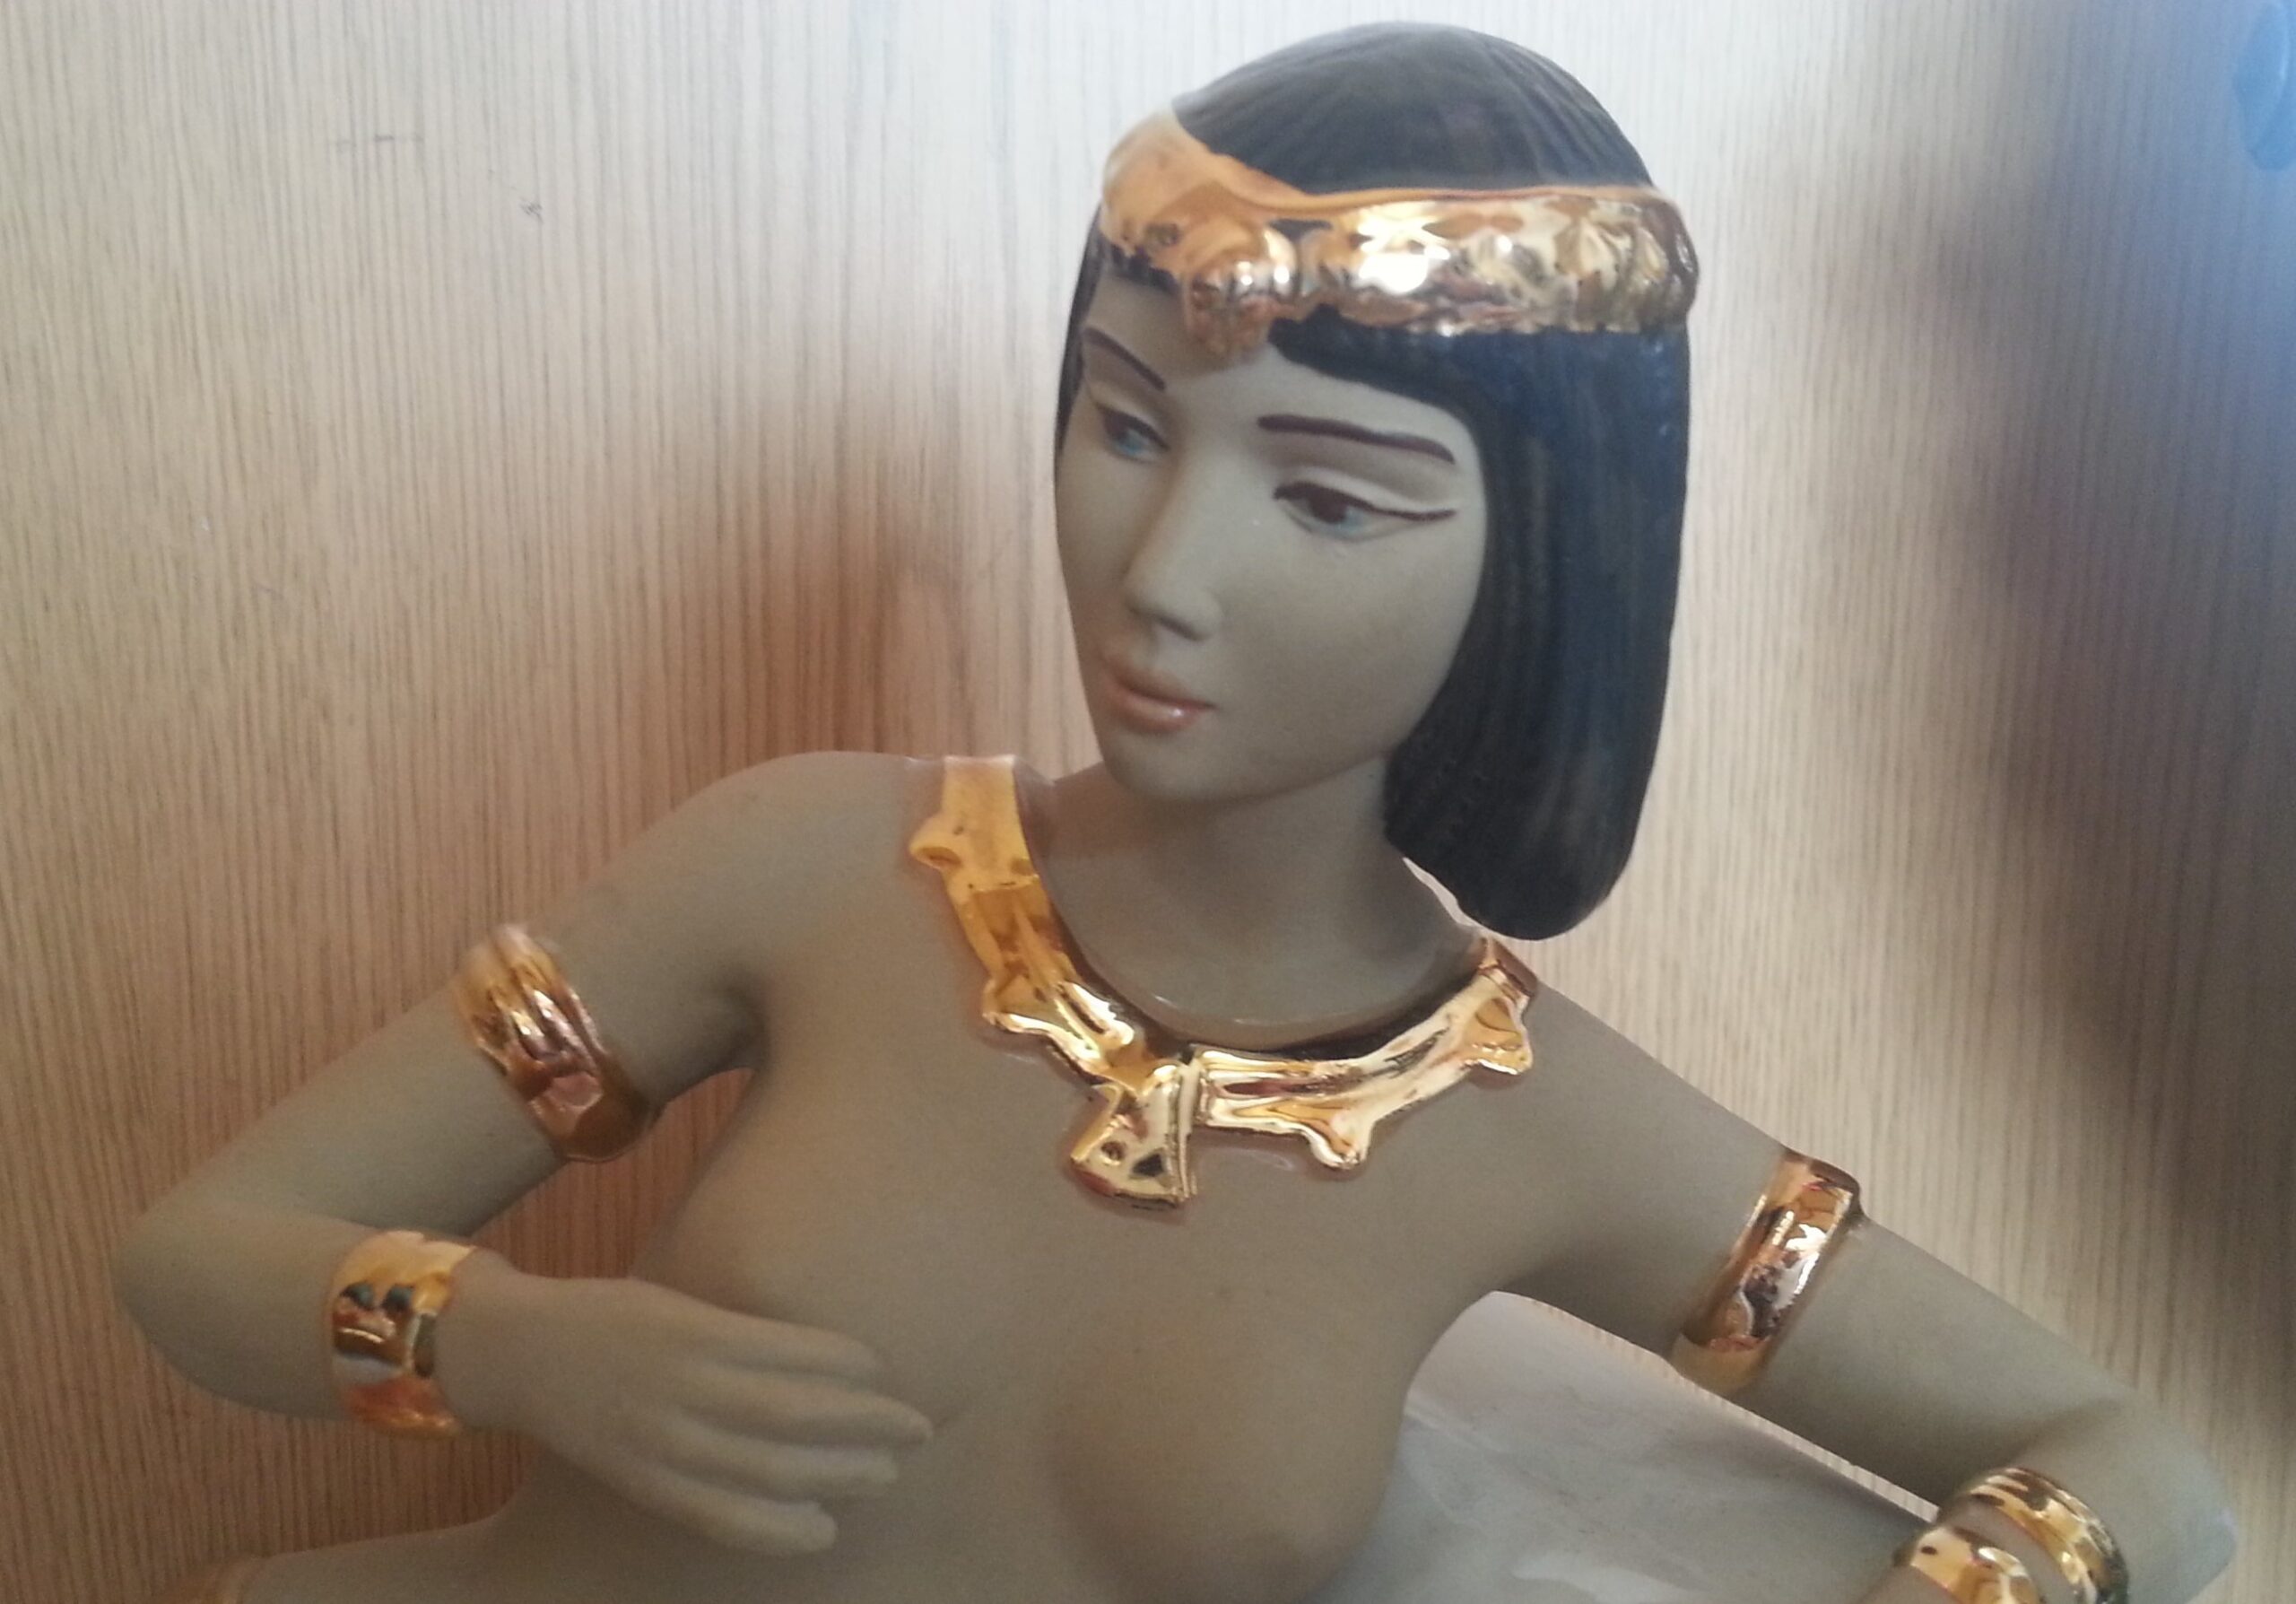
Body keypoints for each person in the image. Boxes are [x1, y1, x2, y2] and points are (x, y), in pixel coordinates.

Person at [123, 22, 2234, 1604]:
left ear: (1534, 567)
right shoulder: (806, 868)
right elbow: (199, 1259)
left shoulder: (1531, 1124)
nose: (1162, 568)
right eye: (1127, 425)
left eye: (1327, 500)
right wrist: (517, 1346)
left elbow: (2130, 1464)